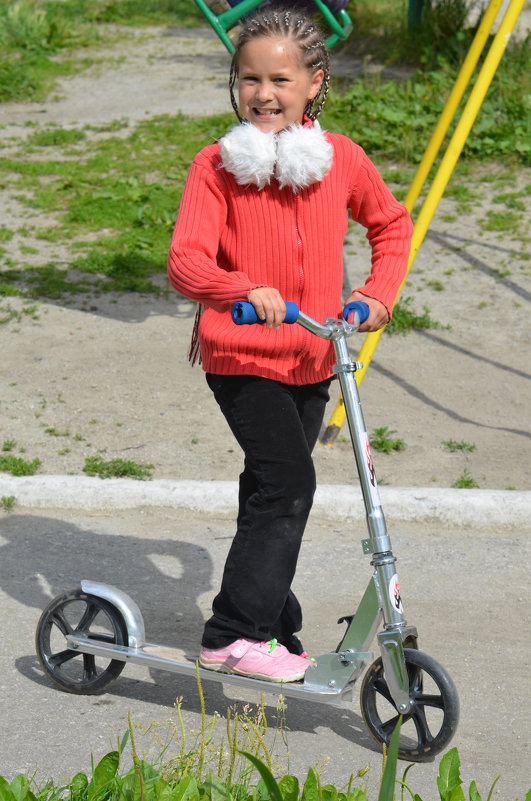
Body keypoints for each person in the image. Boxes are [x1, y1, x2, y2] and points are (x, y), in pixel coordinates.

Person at [168, 5, 413, 683]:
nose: (262, 93)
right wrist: (241, 288)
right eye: (248, 78)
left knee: (268, 488)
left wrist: (373, 295)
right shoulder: (215, 166)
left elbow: (391, 227)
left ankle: (269, 618)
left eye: (279, 78)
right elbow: (186, 261)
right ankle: (233, 635)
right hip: (242, 355)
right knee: (287, 482)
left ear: (313, 82)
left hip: (314, 355)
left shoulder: (340, 162)